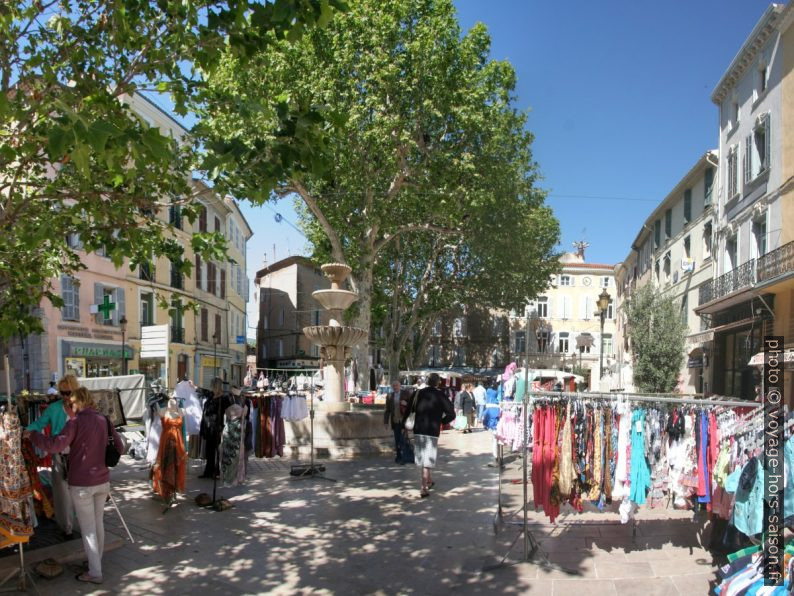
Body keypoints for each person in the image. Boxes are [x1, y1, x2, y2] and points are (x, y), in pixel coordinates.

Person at [25, 387, 126, 585]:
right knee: (97, 524)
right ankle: (94, 563)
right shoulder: (103, 420)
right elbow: (120, 447)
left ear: (77, 403)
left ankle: (95, 572)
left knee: (88, 529)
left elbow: (55, 446)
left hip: (82, 484)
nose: (70, 407)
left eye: (71, 403)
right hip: (102, 481)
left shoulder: (76, 422)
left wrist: (33, 436)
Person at [26, 374, 79, 535]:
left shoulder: (83, 407)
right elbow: (39, 423)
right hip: (60, 455)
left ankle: (82, 521)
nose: (64, 396)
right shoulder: (54, 408)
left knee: (80, 491)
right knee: (62, 494)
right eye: (61, 393)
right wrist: (27, 430)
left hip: (80, 455)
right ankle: (67, 527)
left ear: (75, 391)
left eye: (68, 392)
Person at [410, 372, 455, 498]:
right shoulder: (440, 395)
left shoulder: (418, 393)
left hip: (418, 429)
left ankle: (428, 480)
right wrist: (441, 421)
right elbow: (451, 414)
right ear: (438, 382)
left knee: (423, 458)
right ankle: (423, 487)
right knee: (427, 459)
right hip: (432, 430)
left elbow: (409, 409)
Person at [199, 378, 232, 479]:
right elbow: (203, 391)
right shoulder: (211, 396)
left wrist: (224, 428)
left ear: (216, 386)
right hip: (208, 427)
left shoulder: (224, 398)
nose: (211, 388)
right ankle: (208, 471)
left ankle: (217, 472)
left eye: (212, 386)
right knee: (209, 450)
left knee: (218, 451)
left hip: (217, 427)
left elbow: (229, 414)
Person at [383, 380, 411, 464]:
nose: (395, 387)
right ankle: (398, 456)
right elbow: (387, 410)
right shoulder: (389, 396)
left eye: (397, 385)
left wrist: (406, 403)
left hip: (404, 421)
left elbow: (412, 405)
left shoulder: (406, 394)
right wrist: (386, 422)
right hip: (395, 421)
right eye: (393, 386)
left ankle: (403, 457)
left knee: (402, 439)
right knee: (397, 439)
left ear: (400, 386)